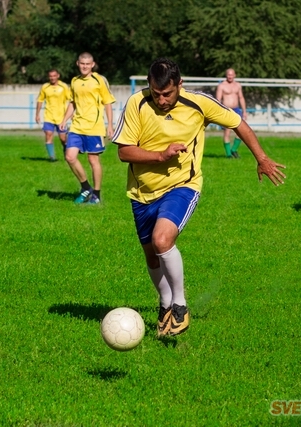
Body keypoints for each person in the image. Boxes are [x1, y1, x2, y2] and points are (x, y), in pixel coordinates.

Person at [112, 58, 286, 337]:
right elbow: (124, 152)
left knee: (162, 240)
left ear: (180, 85)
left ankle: (180, 305)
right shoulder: (137, 103)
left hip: (183, 185)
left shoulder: (199, 103)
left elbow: (239, 123)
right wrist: (160, 155)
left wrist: (262, 158)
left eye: (167, 93)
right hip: (141, 192)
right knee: (151, 255)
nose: (162, 100)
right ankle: (165, 303)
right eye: (156, 94)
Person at [59, 53, 116, 204]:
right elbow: (72, 103)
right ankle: (85, 187)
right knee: (70, 156)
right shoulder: (74, 81)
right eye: (82, 63)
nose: (84, 66)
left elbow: (108, 103)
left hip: (94, 127)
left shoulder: (99, 80)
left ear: (92, 65)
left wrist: (110, 125)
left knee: (93, 159)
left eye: (87, 64)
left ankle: (96, 194)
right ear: (78, 63)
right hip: (77, 126)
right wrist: (64, 120)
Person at [36, 69, 72, 162]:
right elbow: (40, 100)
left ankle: (65, 149)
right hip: (49, 116)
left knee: (63, 138)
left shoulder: (63, 86)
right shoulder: (45, 87)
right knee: (48, 134)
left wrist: (71, 114)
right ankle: (52, 157)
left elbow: (70, 100)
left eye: (54, 76)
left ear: (58, 76)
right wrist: (37, 114)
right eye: (50, 76)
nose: (52, 78)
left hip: (61, 117)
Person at [216, 68, 248, 158]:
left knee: (241, 132)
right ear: (226, 75)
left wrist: (244, 111)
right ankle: (228, 155)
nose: (230, 76)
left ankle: (234, 150)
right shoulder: (221, 86)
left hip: (237, 110)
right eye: (228, 74)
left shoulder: (238, 85)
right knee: (227, 132)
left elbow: (241, 98)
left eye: (231, 74)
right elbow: (218, 99)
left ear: (235, 75)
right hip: (226, 110)